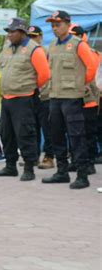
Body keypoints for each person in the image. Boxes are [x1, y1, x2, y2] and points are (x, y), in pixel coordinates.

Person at [42, 10, 97, 189]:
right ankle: (62, 172)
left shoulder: (77, 44)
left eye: (58, 24)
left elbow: (92, 66)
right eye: (52, 25)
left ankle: (82, 175)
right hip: (55, 97)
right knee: (57, 135)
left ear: (67, 24)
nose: (55, 28)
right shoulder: (52, 44)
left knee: (77, 136)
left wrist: (82, 84)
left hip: (72, 97)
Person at [0, 18, 50, 181]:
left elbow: (44, 75)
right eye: (8, 31)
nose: (9, 35)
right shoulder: (7, 49)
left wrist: (28, 87)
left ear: (22, 32)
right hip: (7, 97)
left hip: (24, 98)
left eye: (12, 31)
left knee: (25, 134)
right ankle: (10, 166)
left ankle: (29, 168)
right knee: (6, 133)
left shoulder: (34, 49)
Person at [66, 25, 99, 175]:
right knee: (73, 132)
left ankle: (90, 163)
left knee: (88, 133)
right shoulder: (65, 52)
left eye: (76, 35)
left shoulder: (92, 53)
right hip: (71, 98)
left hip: (88, 99)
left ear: (82, 36)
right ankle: (76, 161)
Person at [28, 25, 55, 169]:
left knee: (47, 128)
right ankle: (34, 157)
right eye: (29, 37)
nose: (31, 39)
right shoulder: (25, 52)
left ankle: (49, 157)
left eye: (34, 36)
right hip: (31, 94)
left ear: (40, 37)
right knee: (33, 128)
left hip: (45, 94)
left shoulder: (46, 52)